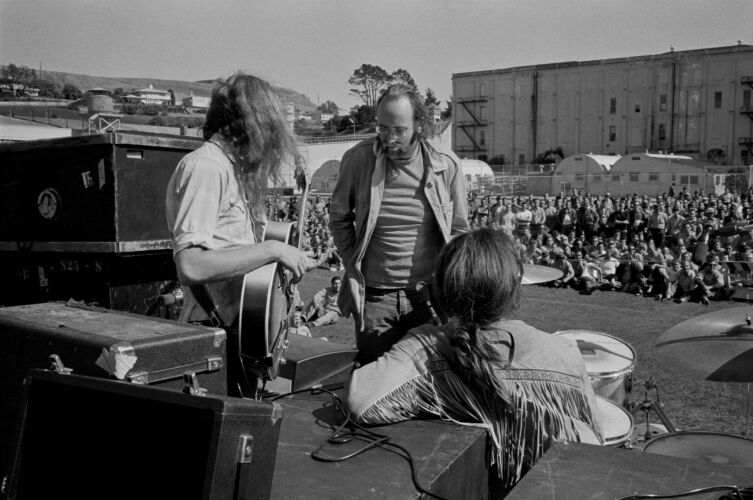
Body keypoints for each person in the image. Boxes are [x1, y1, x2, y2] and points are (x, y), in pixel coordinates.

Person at [346, 229, 603, 496]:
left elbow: (361, 400)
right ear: (514, 288)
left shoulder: (429, 347)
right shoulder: (565, 352)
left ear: (442, 291)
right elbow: (594, 446)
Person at [165, 74, 316, 391]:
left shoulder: (233, 170)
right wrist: (273, 251)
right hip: (212, 337)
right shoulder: (206, 167)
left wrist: (283, 270)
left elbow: (238, 253)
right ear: (250, 124)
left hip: (239, 337)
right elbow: (191, 265)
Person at [330, 84, 469, 364]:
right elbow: (339, 217)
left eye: (399, 130)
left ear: (418, 124)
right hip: (375, 298)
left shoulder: (446, 165)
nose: (388, 138)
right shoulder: (359, 159)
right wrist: (352, 269)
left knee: (430, 383)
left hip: (428, 295)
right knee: (374, 380)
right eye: (382, 128)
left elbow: (459, 231)